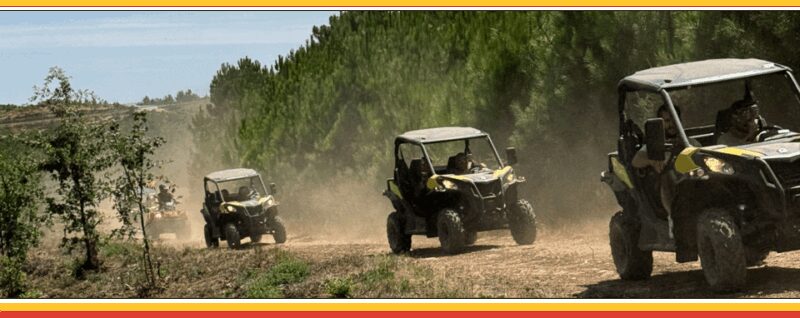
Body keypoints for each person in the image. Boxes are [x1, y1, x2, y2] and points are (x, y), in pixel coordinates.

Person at [632, 103, 701, 173]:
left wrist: (683, 145)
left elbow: (701, 158)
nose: (671, 124)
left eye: (674, 120)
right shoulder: (656, 144)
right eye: (667, 121)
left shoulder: (691, 142)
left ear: (679, 121)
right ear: (661, 123)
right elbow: (636, 161)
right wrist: (653, 162)